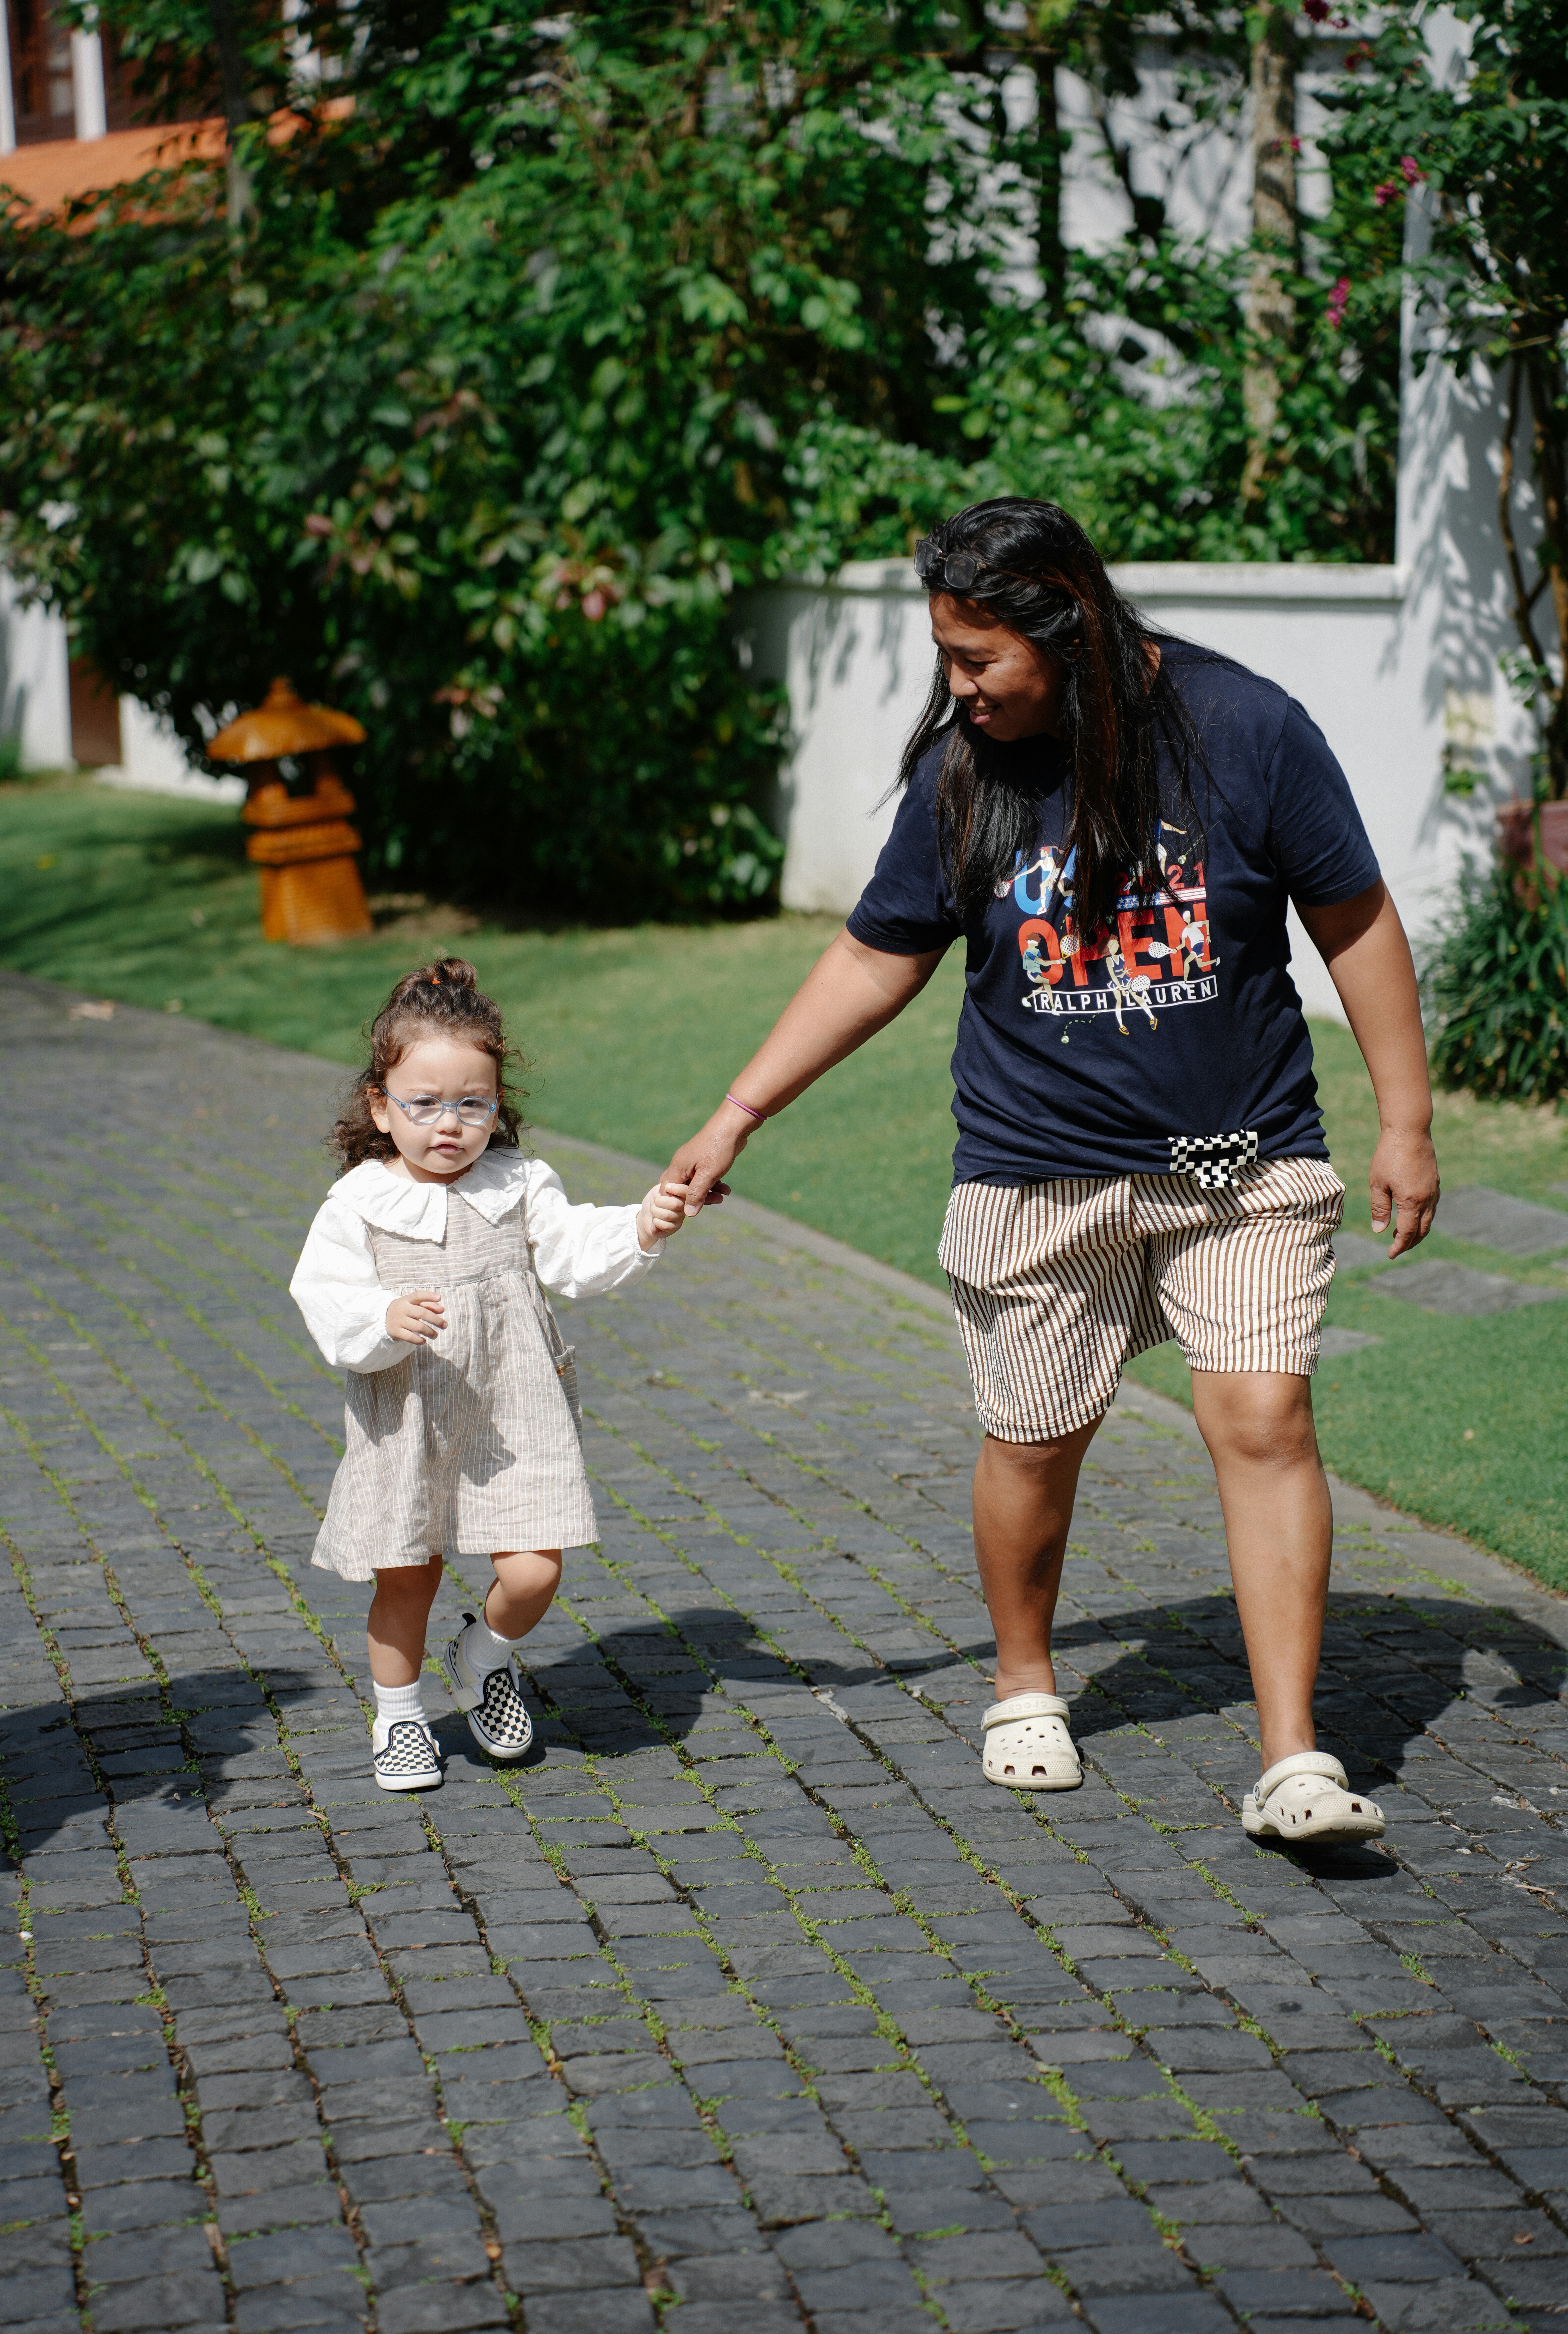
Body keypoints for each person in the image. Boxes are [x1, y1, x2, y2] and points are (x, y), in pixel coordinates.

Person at [665, 497, 1440, 1846]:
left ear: (1069, 627)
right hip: (1038, 1169)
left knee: (1263, 1418)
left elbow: (1352, 918)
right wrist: (739, 1110)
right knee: (1034, 1436)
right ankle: (1023, 1684)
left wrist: (1406, 1119)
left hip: (1239, 1160)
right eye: (945, 658)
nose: (957, 689)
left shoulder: (1247, 728)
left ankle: (1293, 1755)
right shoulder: (963, 769)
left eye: (979, 660)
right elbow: (877, 954)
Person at [291, 958, 688, 1792]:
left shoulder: (518, 1183)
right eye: (424, 1104)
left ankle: (483, 1656)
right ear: (380, 1106)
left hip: (513, 1411)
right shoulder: (359, 1203)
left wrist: (644, 1223)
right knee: (410, 1575)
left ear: (497, 1106)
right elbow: (324, 1296)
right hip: (410, 1417)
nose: (450, 1124)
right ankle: (399, 1717)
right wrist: (383, 1318)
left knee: (535, 1569)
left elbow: (575, 1252)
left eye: (472, 1104)